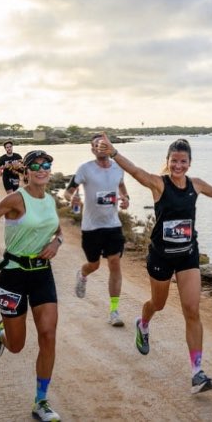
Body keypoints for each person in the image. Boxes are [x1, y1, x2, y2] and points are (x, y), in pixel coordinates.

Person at [94, 133, 212, 395]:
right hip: (161, 257)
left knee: (192, 310)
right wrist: (114, 152)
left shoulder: (195, 185)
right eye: (174, 161)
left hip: (188, 255)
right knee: (158, 304)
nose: (178, 166)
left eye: (183, 161)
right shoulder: (158, 184)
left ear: (189, 163)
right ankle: (143, 324)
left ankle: (197, 372)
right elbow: (135, 171)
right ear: (167, 161)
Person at [0, 150, 64, 421]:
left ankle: (41, 401)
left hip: (42, 274)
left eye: (46, 164)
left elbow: (57, 231)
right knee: (16, 346)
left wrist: (57, 243)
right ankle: (3, 333)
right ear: (26, 171)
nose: (42, 169)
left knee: (48, 335)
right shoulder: (15, 199)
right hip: (13, 275)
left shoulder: (50, 200)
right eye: (35, 165)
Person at [63, 134, 130, 327]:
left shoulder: (118, 168)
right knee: (94, 265)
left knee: (115, 263)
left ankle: (114, 311)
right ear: (92, 149)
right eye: (96, 145)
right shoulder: (85, 169)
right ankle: (82, 274)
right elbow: (68, 191)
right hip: (91, 227)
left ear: (109, 146)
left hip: (113, 225)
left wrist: (126, 199)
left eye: (103, 144)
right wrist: (71, 199)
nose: (100, 147)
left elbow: (122, 188)